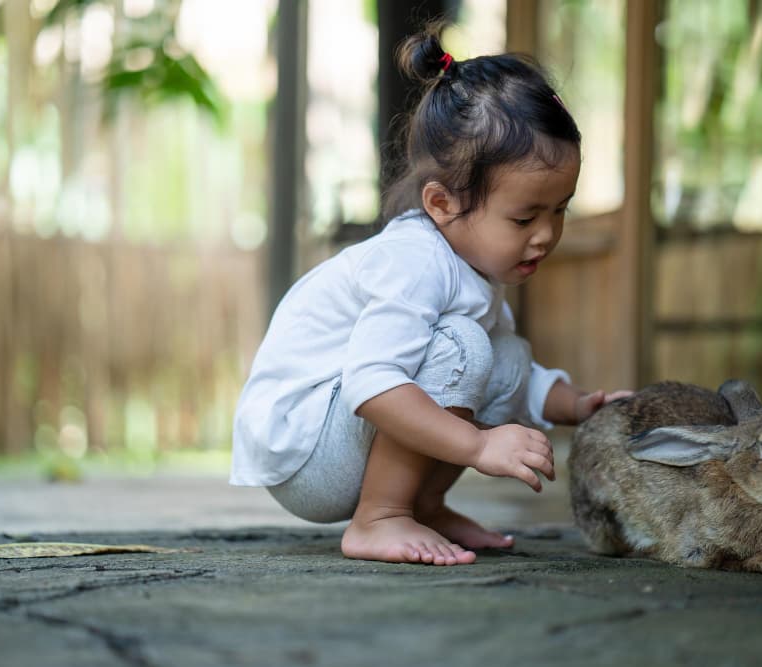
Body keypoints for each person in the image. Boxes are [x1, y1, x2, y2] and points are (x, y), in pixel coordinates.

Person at [231, 24, 631, 566]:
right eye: (524, 216)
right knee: (463, 346)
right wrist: (479, 447)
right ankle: (379, 517)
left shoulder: (472, 268)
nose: (546, 233)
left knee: (504, 354)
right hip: (306, 455)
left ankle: (421, 505)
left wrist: (578, 405)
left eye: (560, 210)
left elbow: (515, 377)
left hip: (344, 438)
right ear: (441, 203)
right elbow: (372, 384)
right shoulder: (415, 262)